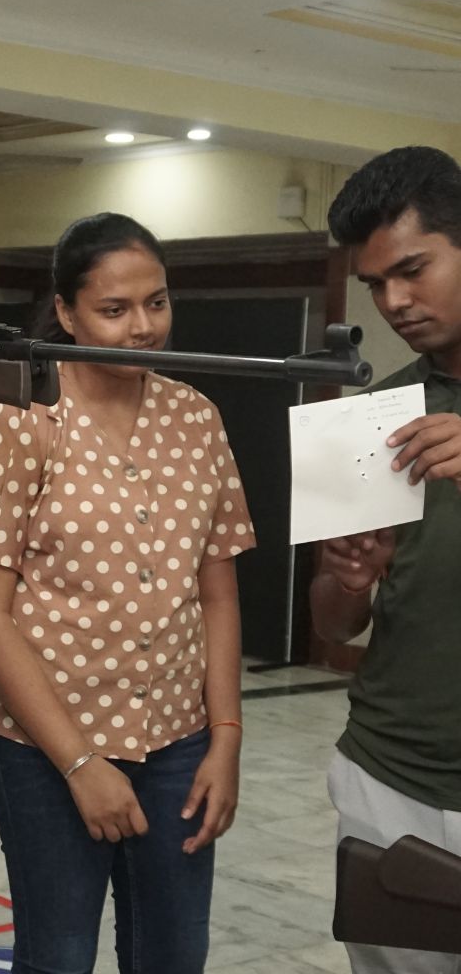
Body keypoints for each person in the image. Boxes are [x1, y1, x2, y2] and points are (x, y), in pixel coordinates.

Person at [0, 212, 255, 974]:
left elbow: (216, 593)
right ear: (67, 312)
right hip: (41, 750)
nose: (143, 327)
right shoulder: (20, 418)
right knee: (59, 955)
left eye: (158, 302)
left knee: (173, 953)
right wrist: (82, 764)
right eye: (115, 310)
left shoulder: (196, 418)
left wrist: (226, 737)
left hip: (179, 742)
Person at [312, 145, 461, 974]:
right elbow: (335, 625)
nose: (393, 301)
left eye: (413, 269)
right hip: (389, 774)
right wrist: (347, 578)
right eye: (374, 283)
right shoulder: (373, 417)